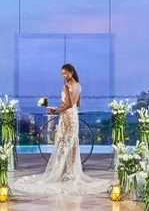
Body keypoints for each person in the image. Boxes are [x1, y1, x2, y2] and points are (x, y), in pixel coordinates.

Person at [13, 63, 108, 196]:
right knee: (70, 144)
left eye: (65, 73)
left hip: (67, 117)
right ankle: (69, 172)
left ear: (71, 72)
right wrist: (61, 107)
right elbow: (77, 104)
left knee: (64, 144)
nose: (64, 76)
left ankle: (63, 172)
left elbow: (68, 104)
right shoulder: (79, 86)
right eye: (62, 74)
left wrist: (56, 110)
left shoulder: (68, 86)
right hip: (71, 116)